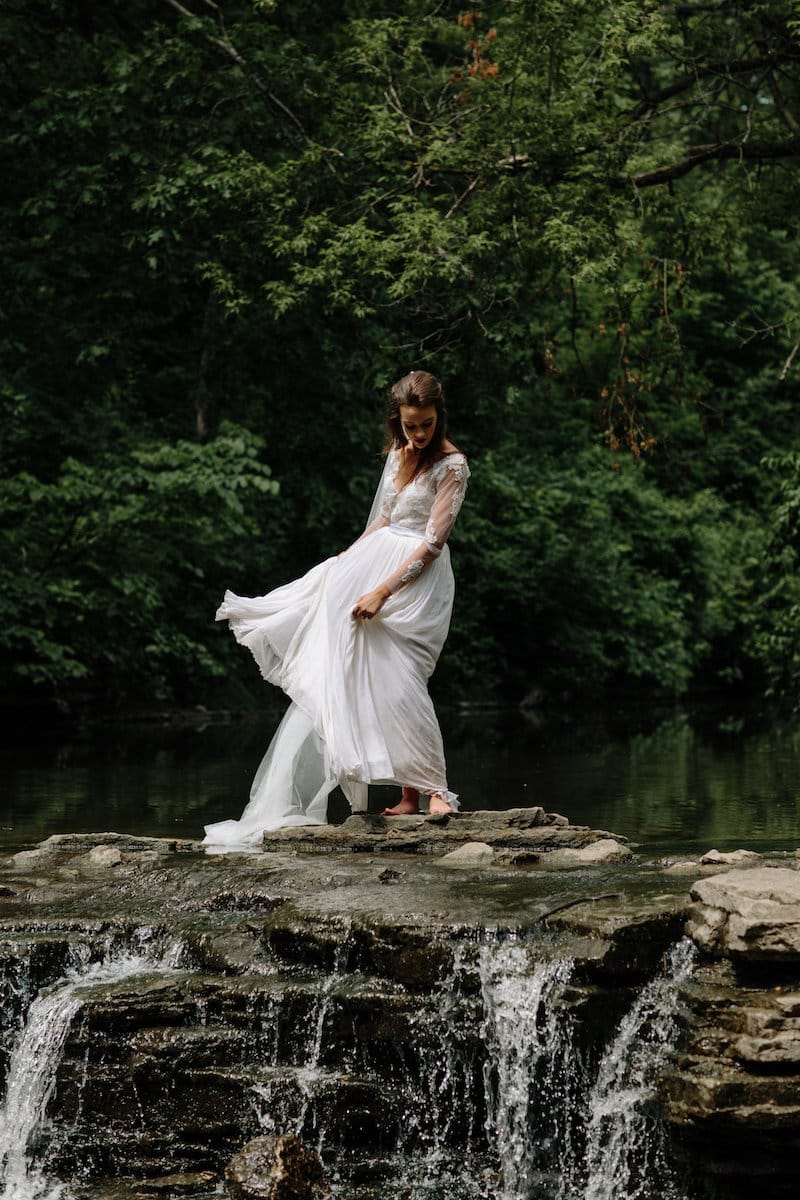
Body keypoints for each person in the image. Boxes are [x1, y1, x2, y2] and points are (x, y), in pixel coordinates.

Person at [202, 370, 470, 848]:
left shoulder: (453, 466)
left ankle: (435, 789)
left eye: (427, 424)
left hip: (415, 579)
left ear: (439, 417)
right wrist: (345, 563)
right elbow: (383, 520)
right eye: (411, 426)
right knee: (367, 668)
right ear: (398, 421)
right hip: (376, 562)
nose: (420, 434)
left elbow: (432, 542)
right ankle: (409, 794)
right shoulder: (397, 456)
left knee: (404, 675)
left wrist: (381, 592)